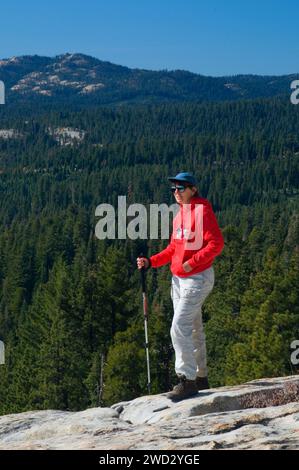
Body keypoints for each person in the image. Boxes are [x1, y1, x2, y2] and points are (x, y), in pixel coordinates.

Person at [137, 172, 224, 401]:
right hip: (179, 280)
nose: (176, 192)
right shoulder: (180, 214)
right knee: (194, 328)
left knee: (178, 327)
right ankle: (201, 377)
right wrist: (151, 262)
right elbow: (173, 248)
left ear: (193, 189)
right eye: (173, 189)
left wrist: (190, 264)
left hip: (197, 278)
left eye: (181, 188)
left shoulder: (202, 211)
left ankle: (186, 380)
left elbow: (216, 244)